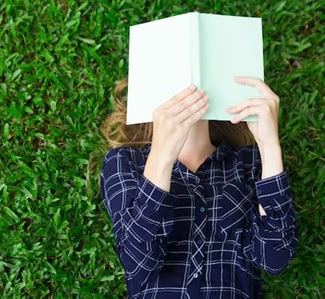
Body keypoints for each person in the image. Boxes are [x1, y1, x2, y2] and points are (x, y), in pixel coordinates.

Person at [99, 76, 298, 298]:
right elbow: (138, 263)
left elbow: (274, 257)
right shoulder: (124, 162)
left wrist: (269, 145)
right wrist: (162, 156)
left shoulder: (251, 162)